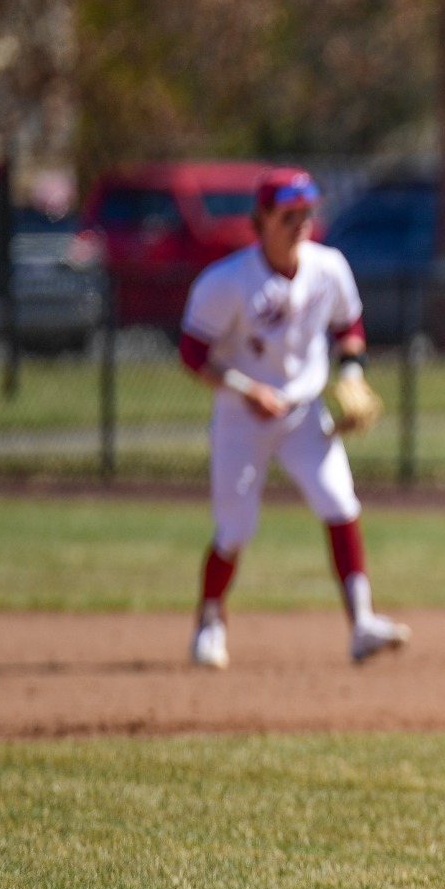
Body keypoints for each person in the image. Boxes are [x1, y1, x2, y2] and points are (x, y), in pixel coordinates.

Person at [176, 168, 410, 667]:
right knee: (235, 528)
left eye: (307, 211)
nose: (302, 222)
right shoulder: (228, 282)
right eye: (289, 213)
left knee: (340, 504)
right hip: (242, 416)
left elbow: (350, 327)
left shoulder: (328, 267)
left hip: (304, 412)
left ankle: (362, 622)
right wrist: (246, 388)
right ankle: (211, 621)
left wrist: (350, 375)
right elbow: (193, 353)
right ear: (261, 219)